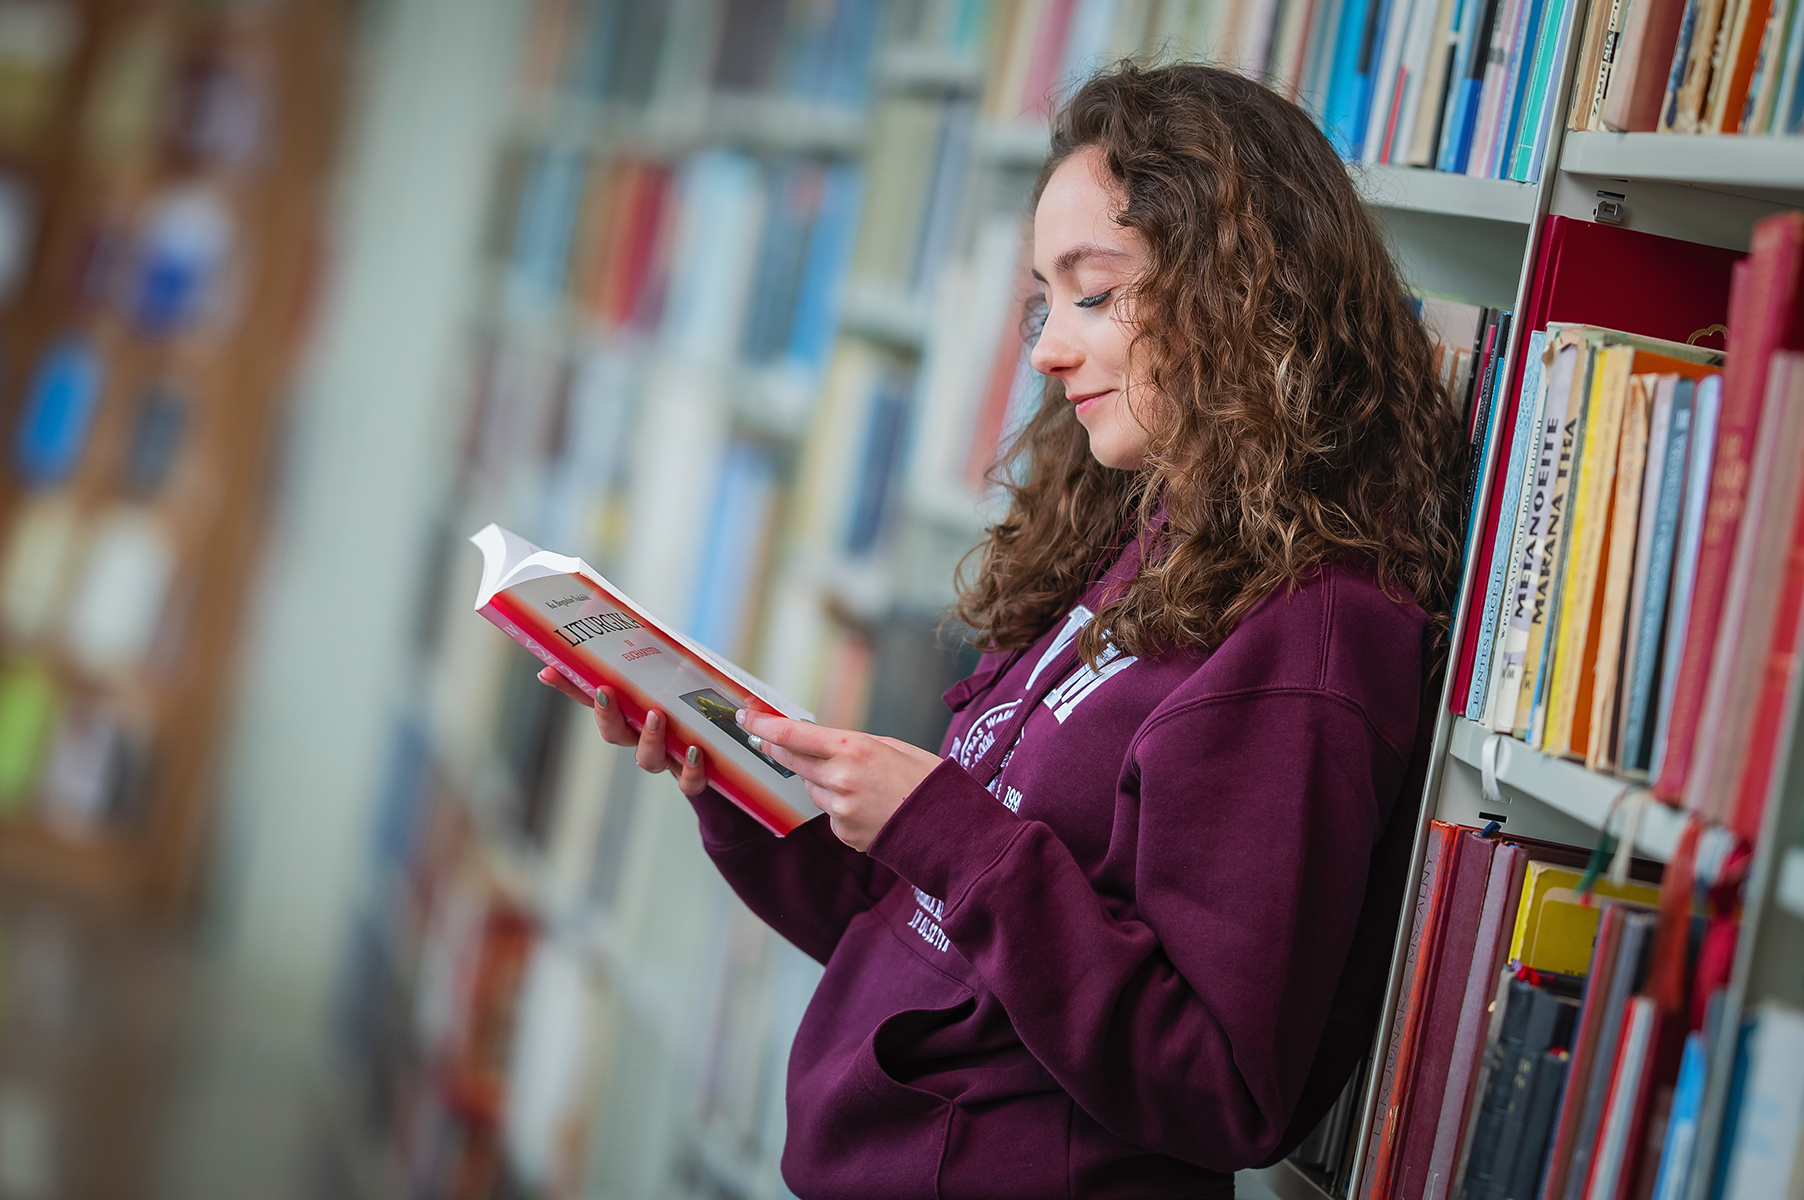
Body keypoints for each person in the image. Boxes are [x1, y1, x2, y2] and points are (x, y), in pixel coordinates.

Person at [540, 62, 1466, 1200]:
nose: (1045, 350)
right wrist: (739, 786)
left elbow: (1221, 1083)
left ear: (1241, 291)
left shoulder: (1310, 637)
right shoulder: (1137, 539)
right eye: (1043, 300)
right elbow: (921, 931)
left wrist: (948, 833)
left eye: (1094, 293)